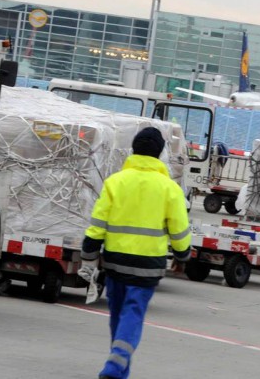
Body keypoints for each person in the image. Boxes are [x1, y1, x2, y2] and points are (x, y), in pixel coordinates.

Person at [79, 127, 192, 379]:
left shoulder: (115, 182)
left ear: (133, 149)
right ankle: (115, 367)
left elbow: (98, 223)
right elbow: (180, 230)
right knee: (133, 314)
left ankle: (118, 369)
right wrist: (183, 257)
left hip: (115, 263)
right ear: (160, 153)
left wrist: (89, 254)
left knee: (118, 315)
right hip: (148, 266)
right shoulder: (169, 188)